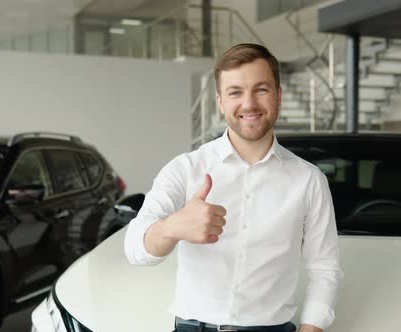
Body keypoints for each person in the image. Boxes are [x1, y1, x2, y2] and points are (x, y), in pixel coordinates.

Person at [124, 43, 342, 332]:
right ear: (220, 101)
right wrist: (172, 227)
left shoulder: (309, 180)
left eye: (261, 89)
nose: (249, 104)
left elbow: (324, 268)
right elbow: (135, 250)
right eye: (235, 92)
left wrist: (311, 328)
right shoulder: (185, 169)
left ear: (278, 95)